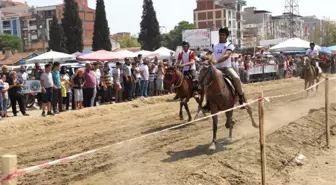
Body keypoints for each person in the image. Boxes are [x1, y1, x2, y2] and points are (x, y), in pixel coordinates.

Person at [203, 26, 246, 110]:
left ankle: (241, 98)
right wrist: (207, 58)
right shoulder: (214, 45)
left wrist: (216, 61)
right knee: (205, 82)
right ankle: (208, 102)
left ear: (226, 35)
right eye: (220, 34)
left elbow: (226, 55)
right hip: (215, 69)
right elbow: (208, 54)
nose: (221, 36)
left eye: (223, 34)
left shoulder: (229, 45)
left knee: (236, 78)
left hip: (226, 68)